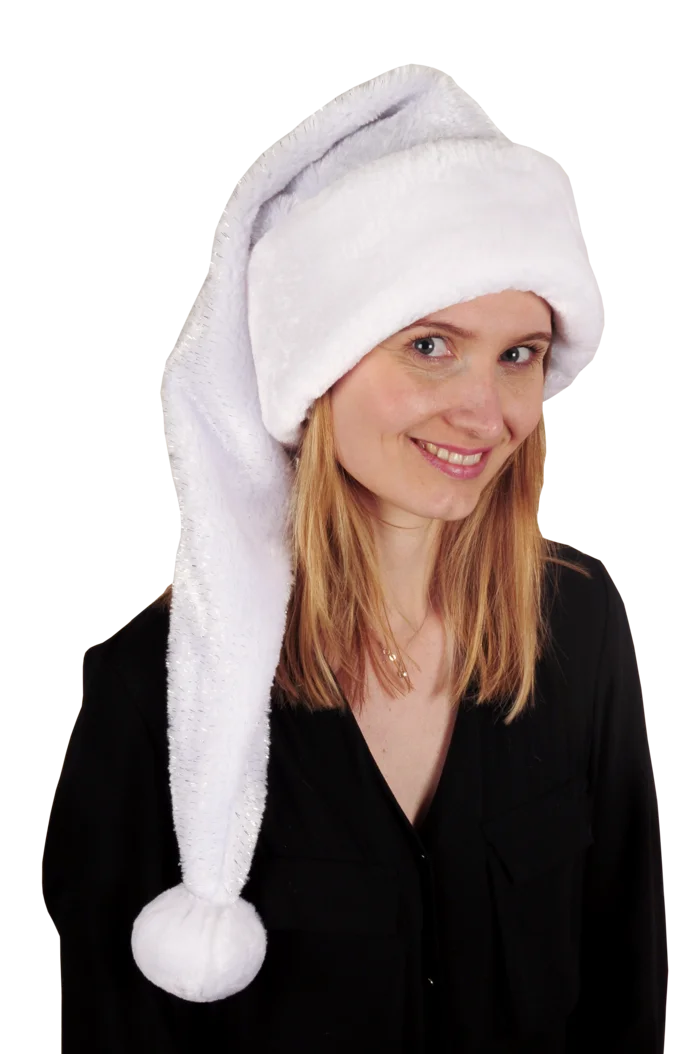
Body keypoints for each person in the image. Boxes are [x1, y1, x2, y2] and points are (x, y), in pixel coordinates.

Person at [41, 63, 667, 1053]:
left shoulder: (577, 619)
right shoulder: (149, 691)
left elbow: (624, 989)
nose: (486, 413)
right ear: (317, 365)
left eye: (518, 354)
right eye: (430, 345)